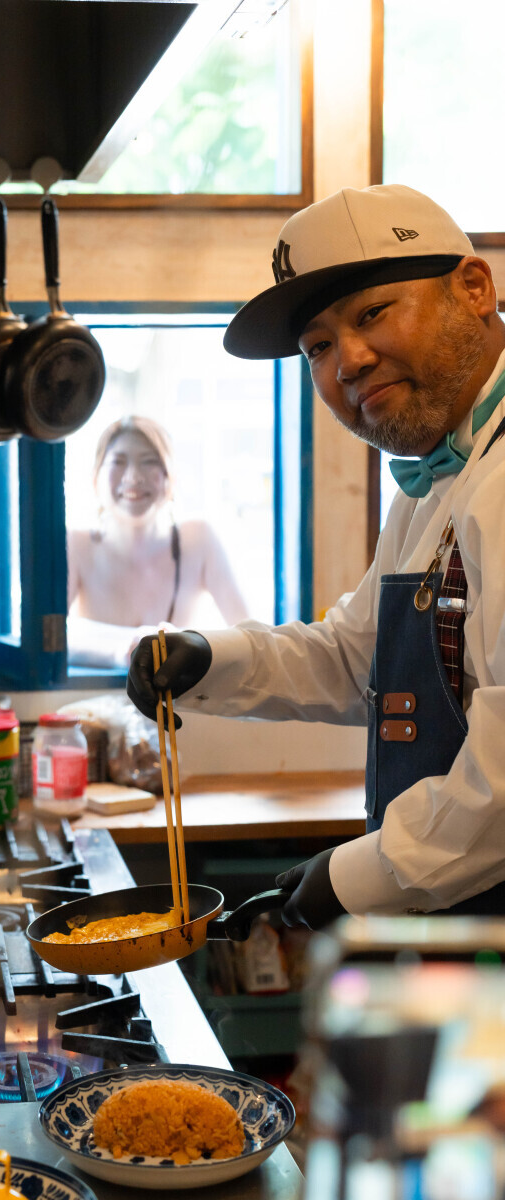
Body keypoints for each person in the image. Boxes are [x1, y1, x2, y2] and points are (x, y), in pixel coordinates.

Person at [127, 183, 505, 930]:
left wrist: (355, 875)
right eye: (318, 348)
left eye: (372, 313)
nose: (349, 363)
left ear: (474, 288)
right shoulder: (436, 482)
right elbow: (362, 659)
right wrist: (209, 660)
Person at [67, 415, 249, 668]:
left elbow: (249, 638)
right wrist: (120, 654)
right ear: (96, 478)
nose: (133, 477)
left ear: (171, 479)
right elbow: (46, 641)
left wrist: (192, 645)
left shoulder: (199, 540)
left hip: (179, 693)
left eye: (149, 462)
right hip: (91, 694)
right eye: (118, 462)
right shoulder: (76, 545)